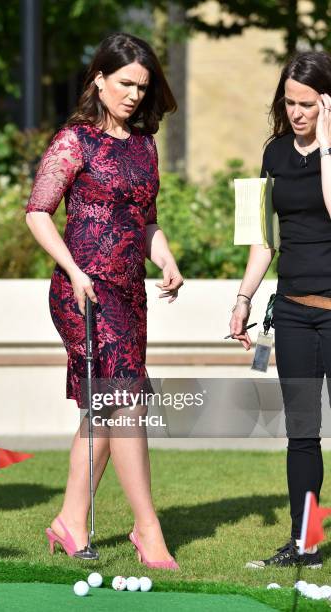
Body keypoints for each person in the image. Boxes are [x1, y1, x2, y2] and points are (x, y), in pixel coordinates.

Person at [25, 32, 183, 569]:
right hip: (83, 292)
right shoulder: (75, 141)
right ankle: (148, 528)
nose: (136, 95)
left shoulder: (144, 145)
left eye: (143, 85)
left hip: (129, 293)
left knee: (106, 408)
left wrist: (165, 257)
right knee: (126, 405)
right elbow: (38, 212)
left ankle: (71, 521)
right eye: (125, 83)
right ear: (99, 78)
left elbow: (146, 220)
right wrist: (73, 270)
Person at [230, 50, 331, 569]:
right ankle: (304, 543)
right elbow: (261, 240)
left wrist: (328, 147)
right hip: (292, 312)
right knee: (302, 434)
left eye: (309, 104)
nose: (297, 112)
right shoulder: (273, 153)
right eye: (290, 102)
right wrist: (243, 299)